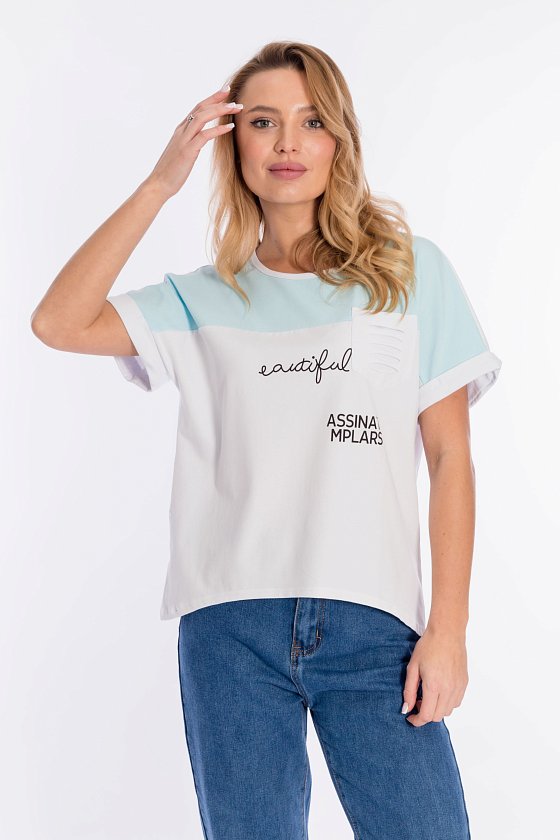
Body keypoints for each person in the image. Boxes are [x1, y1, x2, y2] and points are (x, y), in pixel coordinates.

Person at [31, 40, 501, 840]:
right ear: (233, 142)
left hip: (374, 626)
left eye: (312, 121)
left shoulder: (408, 274)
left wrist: (448, 630)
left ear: (339, 139)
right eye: (262, 121)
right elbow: (58, 322)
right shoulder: (201, 300)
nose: (288, 142)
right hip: (230, 629)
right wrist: (160, 183)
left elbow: (450, 457)